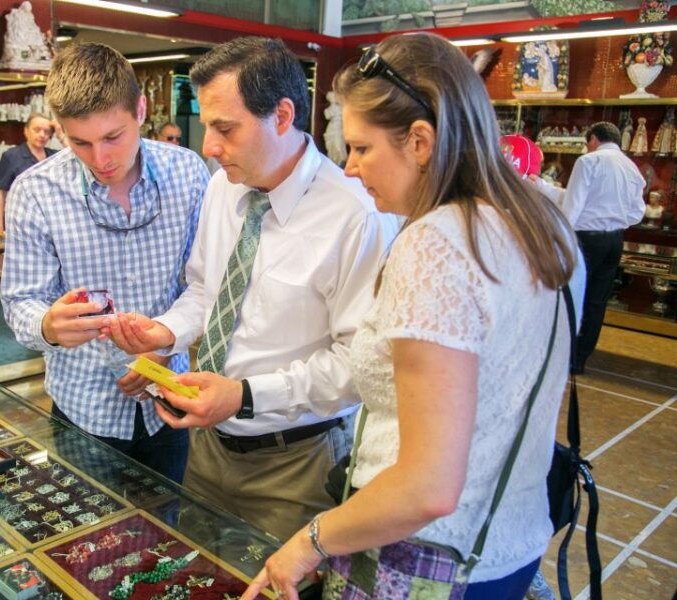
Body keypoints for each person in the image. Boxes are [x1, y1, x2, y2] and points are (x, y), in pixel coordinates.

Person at [239, 33, 586, 600]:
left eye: (361, 148)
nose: (349, 168)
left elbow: (427, 486)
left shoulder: (438, 245)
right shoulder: (540, 223)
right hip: (510, 546)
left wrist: (309, 540)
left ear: (420, 141)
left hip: (424, 559)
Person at [103, 36, 398, 541]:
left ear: (282, 116)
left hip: (295, 464)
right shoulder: (224, 185)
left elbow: (358, 366)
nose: (208, 147)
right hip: (206, 447)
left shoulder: (356, 216)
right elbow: (205, 290)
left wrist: (243, 396)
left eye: (224, 128)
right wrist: (164, 332)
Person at [0, 42, 209, 482]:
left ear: (140, 109)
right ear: (59, 129)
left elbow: (203, 283)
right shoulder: (34, 191)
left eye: (114, 136)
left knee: (168, 533)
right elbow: (21, 302)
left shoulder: (188, 172)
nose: (102, 159)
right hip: (83, 405)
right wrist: (49, 326)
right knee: (88, 543)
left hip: (168, 398)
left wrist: (162, 339)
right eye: (80, 142)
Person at [531, 121, 644, 373]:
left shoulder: (588, 162)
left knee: (571, 295)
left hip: (586, 240)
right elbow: (637, 212)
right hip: (614, 240)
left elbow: (573, 206)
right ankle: (579, 359)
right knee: (596, 301)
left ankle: (561, 355)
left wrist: (561, 237)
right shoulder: (631, 166)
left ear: (592, 139)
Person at [0, 112, 56, 232]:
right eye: (37, 130)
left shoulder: (54, 156)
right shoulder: (11, 156)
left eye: (47, 131)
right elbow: (0, 194)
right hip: (21, 221)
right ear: (26, 131)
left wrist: (62, 134)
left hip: (50, 222)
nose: (42, 135)